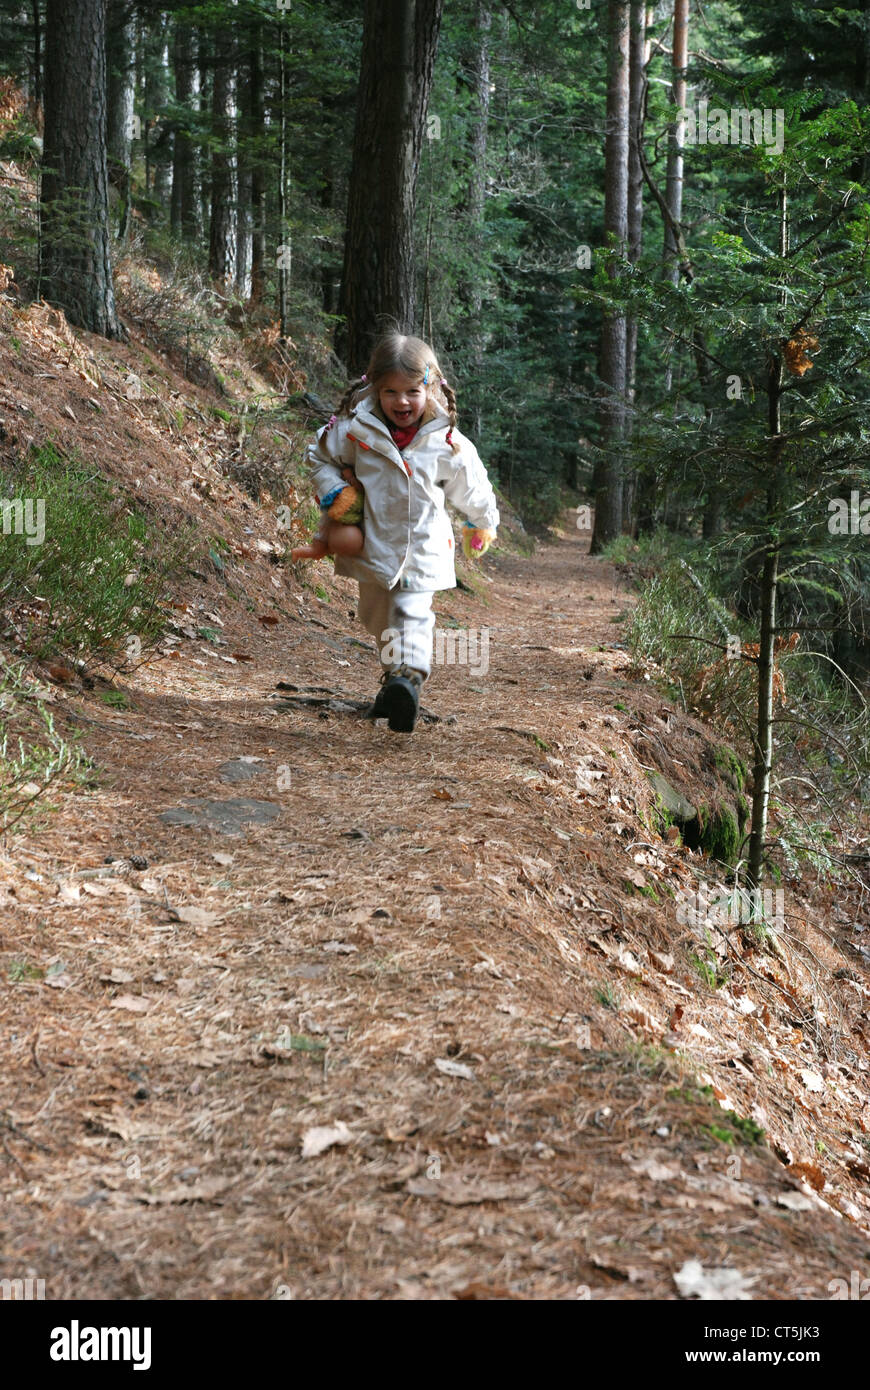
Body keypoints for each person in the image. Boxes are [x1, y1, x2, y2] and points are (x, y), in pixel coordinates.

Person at [301, 332, 499, 733]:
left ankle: (410, 677)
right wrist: (335, 491)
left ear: (429, 387)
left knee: (412, 612)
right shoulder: (358, 429)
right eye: (390, 391)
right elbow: (319, 457)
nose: (401, 402)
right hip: (373, 547)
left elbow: (472, 485)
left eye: (411, 391)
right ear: (374, 388)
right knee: (377, 618)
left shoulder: (445, 440)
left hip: (423, 548)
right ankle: (395, 683)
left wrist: (482, 522)